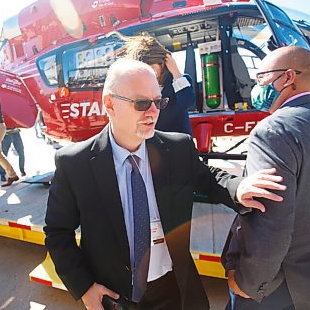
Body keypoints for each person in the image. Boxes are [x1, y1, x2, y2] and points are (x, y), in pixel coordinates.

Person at [44, 58, 286, 310]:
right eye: (141, 103)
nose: (153, 112)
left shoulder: (177, 148)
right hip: (114, 295)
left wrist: (239, 188)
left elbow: (208, 177)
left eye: (158, 102)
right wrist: (84, 287)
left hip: (175, 288)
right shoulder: (75, 163)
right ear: (109, 104)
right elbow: (58, 233)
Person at [223, 46, 310, 310]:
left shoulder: (274, 130)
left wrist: (249, 283)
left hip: (282, 289)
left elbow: (270, 221)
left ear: (288, 77)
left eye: (262, 78)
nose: (257, 86)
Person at [121, 33, 195, 135]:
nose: (148, 74)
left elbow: (188, 103)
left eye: (152, 69)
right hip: (152, 143)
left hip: (179, 141)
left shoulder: (181, 80)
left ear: (162, 64)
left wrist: (176, 73)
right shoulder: (139, 88)